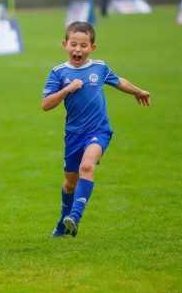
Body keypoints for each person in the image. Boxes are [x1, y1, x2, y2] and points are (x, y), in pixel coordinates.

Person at [42, 21, 150, 238]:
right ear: (65, 44)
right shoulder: (58, 73)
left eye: (83, 45)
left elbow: (119, 81)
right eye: (73, 44)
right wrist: (68, 89)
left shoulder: (99, 67)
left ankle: (75, 216)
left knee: (88, 166)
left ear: (92, 48)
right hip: (73, 134)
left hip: (98, 130)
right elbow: (46, 104)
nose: (78, 49)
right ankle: (63, 223)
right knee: (69, 183)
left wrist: (138, 91)